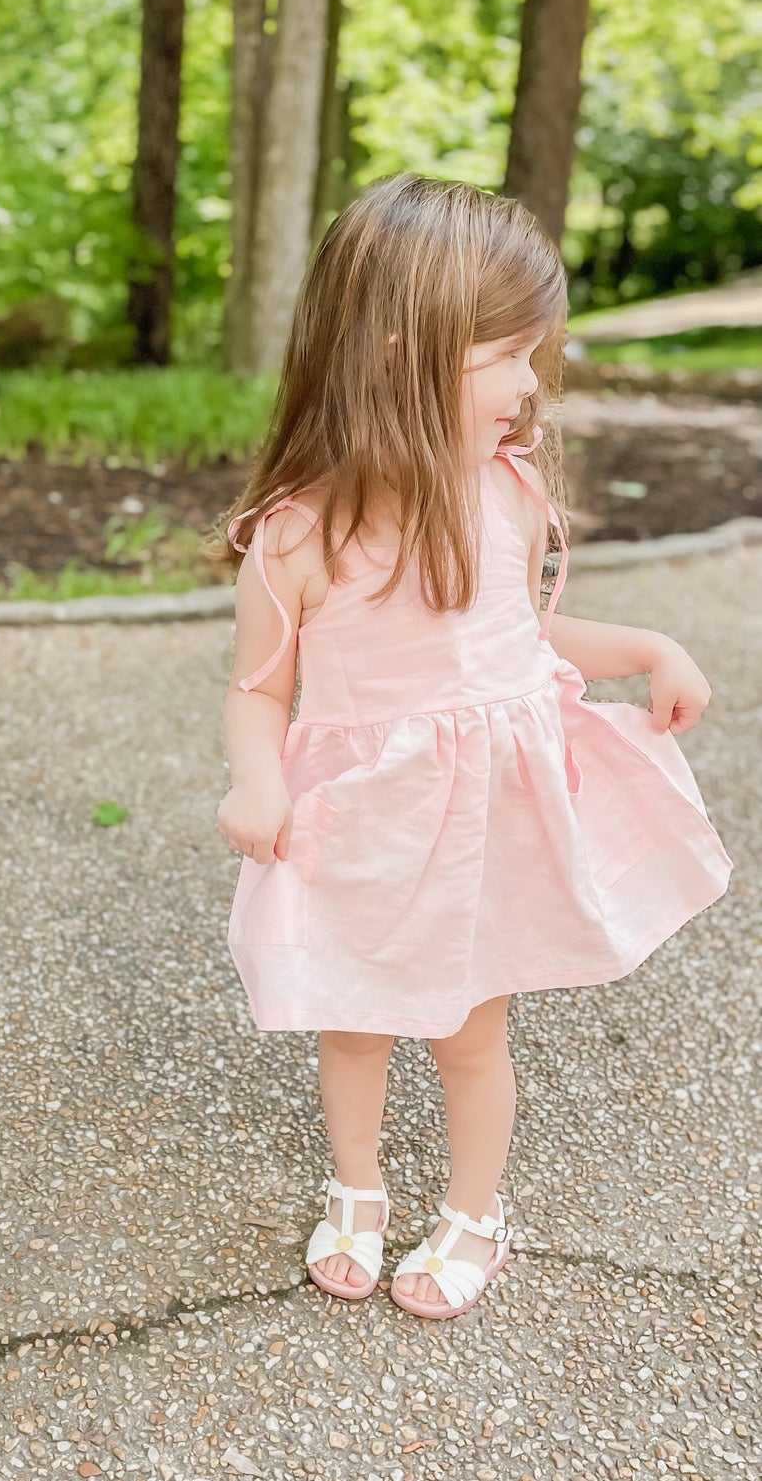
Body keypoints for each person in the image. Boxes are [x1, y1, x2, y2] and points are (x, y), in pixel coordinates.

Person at [218, 176, 730, 1321]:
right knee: (350, 1019)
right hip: (361, 817)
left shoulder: (501, 491)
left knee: (465, 1030)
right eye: (505, 356)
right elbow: (257, 691)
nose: (526, 384)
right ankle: (355, 1187)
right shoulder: (299, 532)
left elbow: (518, 636)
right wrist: (256, 775)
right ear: (404, 349)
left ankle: (472, 1211)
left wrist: (643, 643)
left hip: (483, 819)